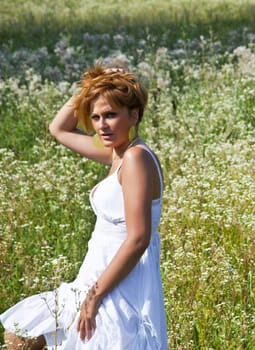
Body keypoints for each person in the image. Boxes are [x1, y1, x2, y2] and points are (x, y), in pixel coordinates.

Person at [1, 65, 168, 349]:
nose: (102, 125)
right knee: (20, 335)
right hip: (91, 277)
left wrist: (95, 296)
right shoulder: (117, 154)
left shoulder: (136, 159)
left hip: (117, 285)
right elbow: (58, 128)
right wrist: (89, 88)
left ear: (134, 115)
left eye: (111, 115)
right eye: (96, 117)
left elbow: (139, 238)